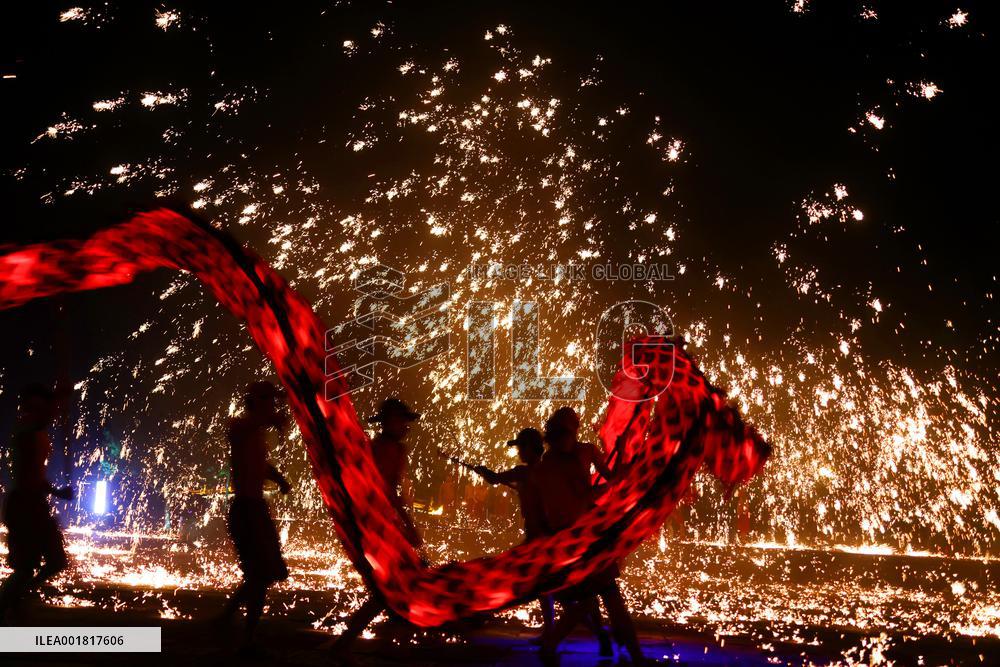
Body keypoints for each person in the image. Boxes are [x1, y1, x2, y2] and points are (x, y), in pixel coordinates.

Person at [531, 407, 647, 663]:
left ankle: (634, 654)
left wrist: (624, 447)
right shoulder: (547, 465)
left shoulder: (584, 452)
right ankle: (553, 644)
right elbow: (562, 506)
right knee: (592, 601)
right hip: (574, 542)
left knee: (607, 597)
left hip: (587, 539)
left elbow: (614, 480)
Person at [328, 398, 422, 657]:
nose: (405, 426)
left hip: (377, 526)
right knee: (390, 589)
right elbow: (385, 492)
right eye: (401, 420)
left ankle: (373, 642)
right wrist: (406, 526)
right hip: (378, 529)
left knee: (393, 589)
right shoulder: (385, 449)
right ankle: (350, 645)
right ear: (388, 422)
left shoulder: (385, 447)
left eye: (406, 421)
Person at [216, 380, 292, 651]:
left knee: (263, 574)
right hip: (246, 510)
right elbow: (246, 428)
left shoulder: (255, 432)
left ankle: (227, 621)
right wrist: (269, 418)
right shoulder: (240, 427)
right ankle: (244, 634)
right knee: (259, 575)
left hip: (255, 509)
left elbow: (260, 463)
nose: (274, 405)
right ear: (256, 402)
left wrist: (279, 478)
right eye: (269, 400)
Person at [0, 384, 73, 624]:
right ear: (35, 411)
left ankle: (17, 599)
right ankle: (9, 604)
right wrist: (58, 492)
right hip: (25, 507)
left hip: (32, 506)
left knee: (53, 562)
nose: (53, 415)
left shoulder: (37, 434)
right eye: (48, 411)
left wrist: (60, 397)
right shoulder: (28, 437)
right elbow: (30, 477)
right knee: (26, 568)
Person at [473, 428, 557, 635]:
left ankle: (484, 611)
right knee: (546, 588)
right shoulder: (547, 471)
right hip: (547, 536)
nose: (519, 452)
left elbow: (494, 478)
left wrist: (483, 471)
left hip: (538, 539)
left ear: (531, 448)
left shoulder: (524, 472)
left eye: (521, 447)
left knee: (522, 580)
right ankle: (553, 630)